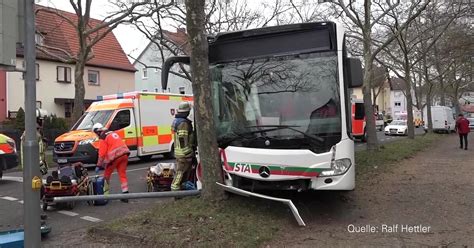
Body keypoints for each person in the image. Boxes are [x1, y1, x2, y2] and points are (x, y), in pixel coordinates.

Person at [92, 123, 130, 202]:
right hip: (125, 154)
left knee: (106, 176)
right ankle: (125, 194)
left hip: (115, 157)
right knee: (122, 175)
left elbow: (102, 154)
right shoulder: (112, 132)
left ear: (97, 131)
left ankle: (105, 196)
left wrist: (98, 165)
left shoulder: (103, 137)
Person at [171, 102, 196, 191]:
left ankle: (180, 191)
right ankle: (176, 192)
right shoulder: (183, 123)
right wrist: (188, 152)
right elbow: (182, 138)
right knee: (180, 173)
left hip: (179, 153)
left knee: (183, 173)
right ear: (186, 112)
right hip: (184, 154)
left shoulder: (177, 121)